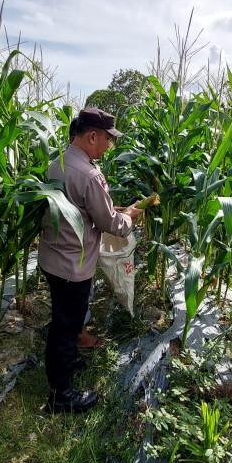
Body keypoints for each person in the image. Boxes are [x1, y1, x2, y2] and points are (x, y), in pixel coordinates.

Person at [38, 108, 144, 413]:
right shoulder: (90, 174)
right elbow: (110, 223)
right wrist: (130, 217)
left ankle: (68, 359)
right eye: (108, 138)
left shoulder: (57, 162)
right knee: (65, 325)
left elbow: (80, 208)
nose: (110, 145)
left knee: (63, 317)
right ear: (93, 135)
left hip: (53, 256)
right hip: (73, 264)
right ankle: (61, 395)